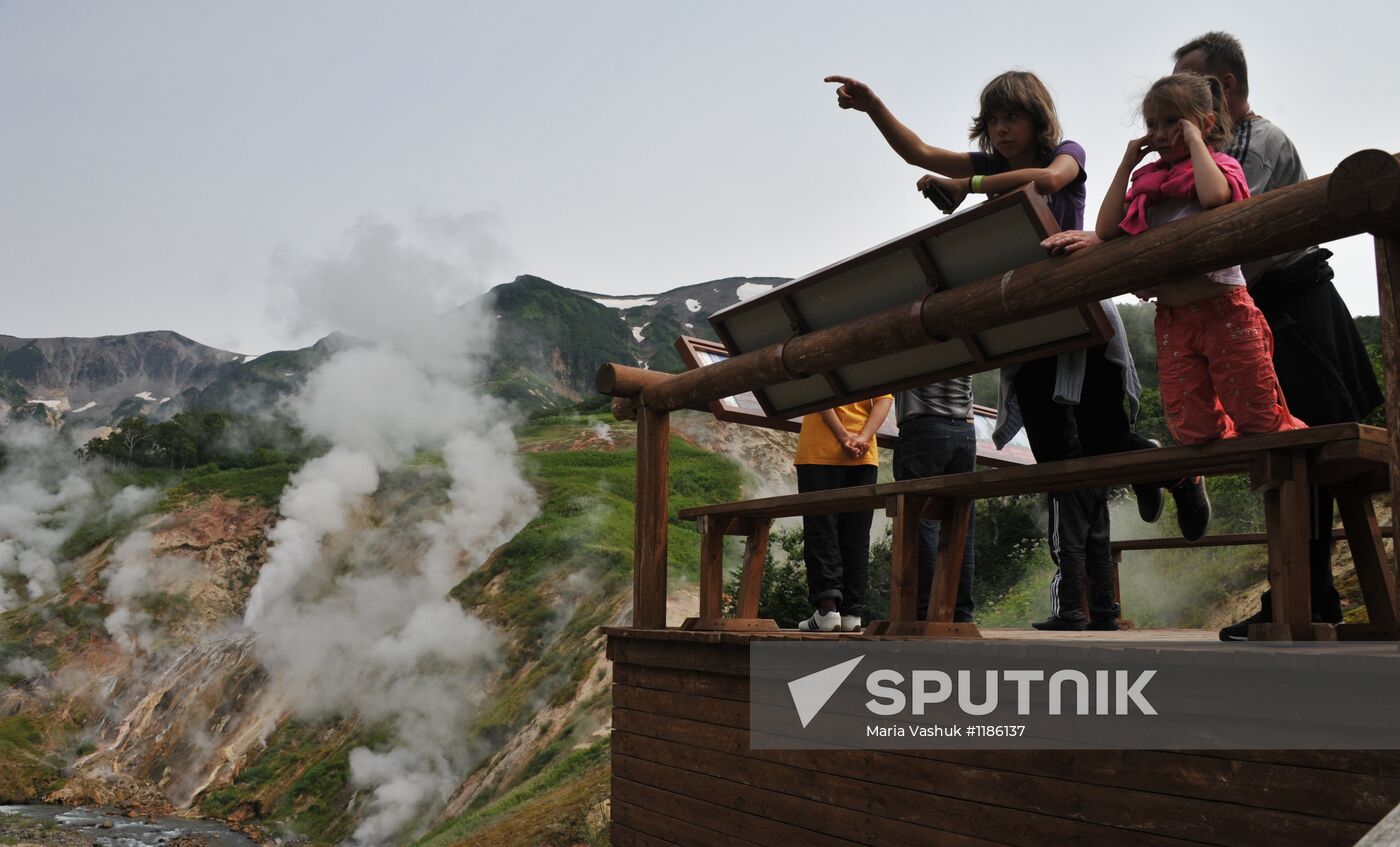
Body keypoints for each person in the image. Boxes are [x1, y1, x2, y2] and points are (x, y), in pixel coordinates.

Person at [826, 70, 1159, 632]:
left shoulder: (1066, 153)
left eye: (1013, 117)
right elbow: (920, 153)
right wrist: (874, 107)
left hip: (1081, 323)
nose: (1002, 129)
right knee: (1060, 468)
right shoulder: (988, 165)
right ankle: (1082, 606)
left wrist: (970, 187)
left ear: (1037, 118)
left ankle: (1145, 490)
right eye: (994, 119)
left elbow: (1050, 180)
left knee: (1096, 457)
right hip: (1030, 333)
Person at [1170, 32, 1384, 640]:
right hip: (1264, 312)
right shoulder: (1214, 152)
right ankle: (1307, 597)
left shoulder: (1257, 144)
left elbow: (1226, 236)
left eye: (1190, 88)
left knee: (1302, 454)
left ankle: (1300, 600)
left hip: (1295, 311)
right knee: (1291, 456)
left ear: (1224, 87)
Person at [1093, 71, 1306, 448]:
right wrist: (1126, 165)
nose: (1160, 134)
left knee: (1258, 416)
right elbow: (1107, 228)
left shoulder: (1220, 167)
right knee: (1193, 429)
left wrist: (1195, 142)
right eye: (1152, 124)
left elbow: (1212, 198)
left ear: (1205, 123)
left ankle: (1290, 471)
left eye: (1173, 121)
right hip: (1173, 320)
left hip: (1224, 312)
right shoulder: (1149, 186)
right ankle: (1197, 475)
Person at [794, 395, 893, 632]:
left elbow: (818, 395)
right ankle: (851, 613)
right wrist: (863, 437)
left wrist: (843, 436)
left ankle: (827, 610)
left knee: (821, 530)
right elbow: (884, 400)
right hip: (864, 454)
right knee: (857, 535)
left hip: (820, 450)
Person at [893, 379, 978, 624]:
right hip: (965, 429)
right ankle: (960, 613)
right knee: (962, 526)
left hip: (923, 425)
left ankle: (924, 612)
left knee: (920, 523)